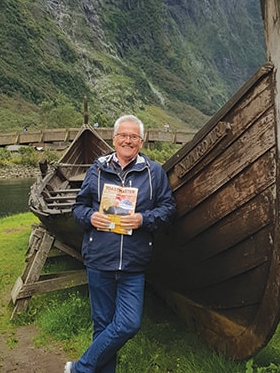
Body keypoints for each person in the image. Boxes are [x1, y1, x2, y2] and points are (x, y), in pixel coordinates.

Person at [65, 115, 176, 373]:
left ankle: (80, 368)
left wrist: (143, 219)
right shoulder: (98, 168)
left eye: (134, 136)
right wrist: (91, 217)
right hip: (99, 259)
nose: (128, 140)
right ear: (114, 139)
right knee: (102, 325)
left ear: (141, 141)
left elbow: (168, 209)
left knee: (128, 324)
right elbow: (79, 208)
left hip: (133, 263)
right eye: (123, 136)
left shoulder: (153, 172)